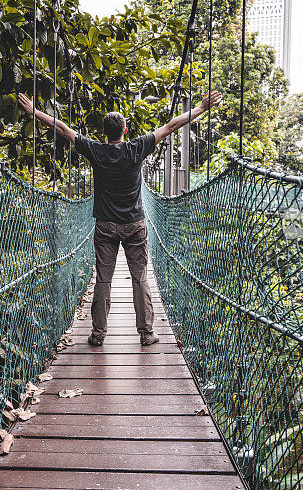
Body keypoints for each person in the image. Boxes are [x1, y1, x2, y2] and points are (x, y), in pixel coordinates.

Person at [17, 91, 222, 345]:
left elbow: (62, 128)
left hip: (105, 226)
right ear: (125, 131)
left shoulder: (95, 150)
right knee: (140, 278)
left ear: (105, 133)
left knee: (103, 278)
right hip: (135, 225)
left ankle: (98, 334)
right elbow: (171, 126)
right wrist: (201, 108)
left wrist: (34, 111)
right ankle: (146, 334)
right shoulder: (138, 148)